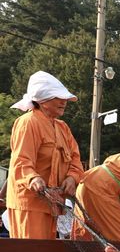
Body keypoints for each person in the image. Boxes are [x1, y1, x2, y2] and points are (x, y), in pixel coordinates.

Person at [5, 71, 84, 239]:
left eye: (65, 99)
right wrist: (33, 178)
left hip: (53, 203)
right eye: (58, 98)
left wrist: (72, 177)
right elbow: (21, 161)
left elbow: (75, 159)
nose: (64, 102)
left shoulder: (63, 128)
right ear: (43, 100)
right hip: (30, 202)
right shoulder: (28, 122)